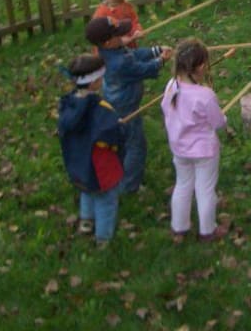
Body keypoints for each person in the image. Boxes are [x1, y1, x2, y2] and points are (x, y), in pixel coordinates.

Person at [85, 16, 172, 194]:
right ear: (108, 42)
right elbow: (143, 69)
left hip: (114, 104)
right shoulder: (119, 63)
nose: (123, 37)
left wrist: (156, 50)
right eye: (118, 35)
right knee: (136, 146)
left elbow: (134, 55)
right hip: (126, 109)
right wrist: (161, 60)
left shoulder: (111, 52)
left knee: (123, 142)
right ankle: (129, 186)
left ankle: (118, 174)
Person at [161, 38, 228, 242]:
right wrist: (224, 118)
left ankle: (179, 227)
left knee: (183, 184)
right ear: (199, 66)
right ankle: (208, 230)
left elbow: (165, 108)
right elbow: (217, 122)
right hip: (204, 152)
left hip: (179, 148)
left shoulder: (171, 85)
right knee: (205, 189)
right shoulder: (205, 95)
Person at [57, 54, 124, 248]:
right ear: (94, 82)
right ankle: (103, 238)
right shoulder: (100, 109)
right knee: (105, 200)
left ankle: (86, 222)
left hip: (77, 163)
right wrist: (118, 126)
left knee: (86, 190)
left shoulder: (67, 104)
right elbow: (112, 136)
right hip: (99, 167)